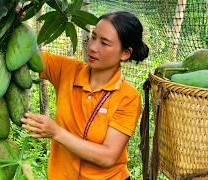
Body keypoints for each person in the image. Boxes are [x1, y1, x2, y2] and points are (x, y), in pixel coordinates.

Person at [21, 11, 149, 179]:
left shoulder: (127, 96)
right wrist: (13, 21)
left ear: (125, 53)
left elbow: (108, 156)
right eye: (93, 37)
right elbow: (26, 54)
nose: (93, 47)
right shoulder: (67, 70)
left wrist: (56, 132)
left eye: (104, 43)